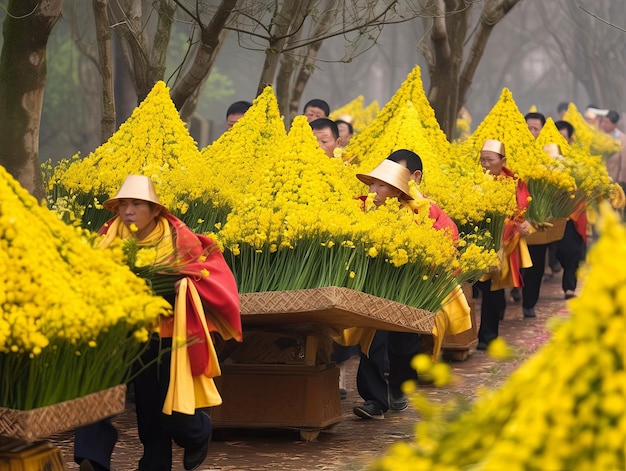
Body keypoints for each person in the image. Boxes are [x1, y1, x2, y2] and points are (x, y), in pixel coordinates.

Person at [74, 175, 242, 471]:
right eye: (123, 204)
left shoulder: (179, 237)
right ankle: (92, 457)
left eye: (137, 204)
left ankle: (194, 434)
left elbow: (205, 274)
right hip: (118, 329)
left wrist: (184, 285)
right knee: (94, 386)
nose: (128, 211)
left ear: (155, 211)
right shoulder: (108, 236)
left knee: (160, 408)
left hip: (164, 332)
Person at [349, 151, 466, 419]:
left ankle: (400, 387)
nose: (374, 190)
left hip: (408, 291)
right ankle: (374, 400)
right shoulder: (361, 207)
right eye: (372, 184)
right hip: (373, 288)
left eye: (381, 185)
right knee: (372, 343)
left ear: (397, 188)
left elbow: (449, 236)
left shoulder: (423, 208)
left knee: (404, 347)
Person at [474, 140, 531, 349]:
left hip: (504, 241)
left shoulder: (513, 182)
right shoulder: (474, 179)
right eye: (482, 160)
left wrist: (516, 225)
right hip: (477, 241)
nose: (485, 164)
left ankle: (488, 336)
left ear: (502, 161)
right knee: (477, 286)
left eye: (490, 160)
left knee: (493, 287)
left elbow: (521, 208)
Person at [602, 110, 626, 194]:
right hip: (600, 180)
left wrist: (621, 181)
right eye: (603, 121)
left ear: (615, 125)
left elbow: (624, 163)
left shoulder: (622, 139)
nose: (603, 124)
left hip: (614, 180)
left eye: (606, 122)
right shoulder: (600, 136)